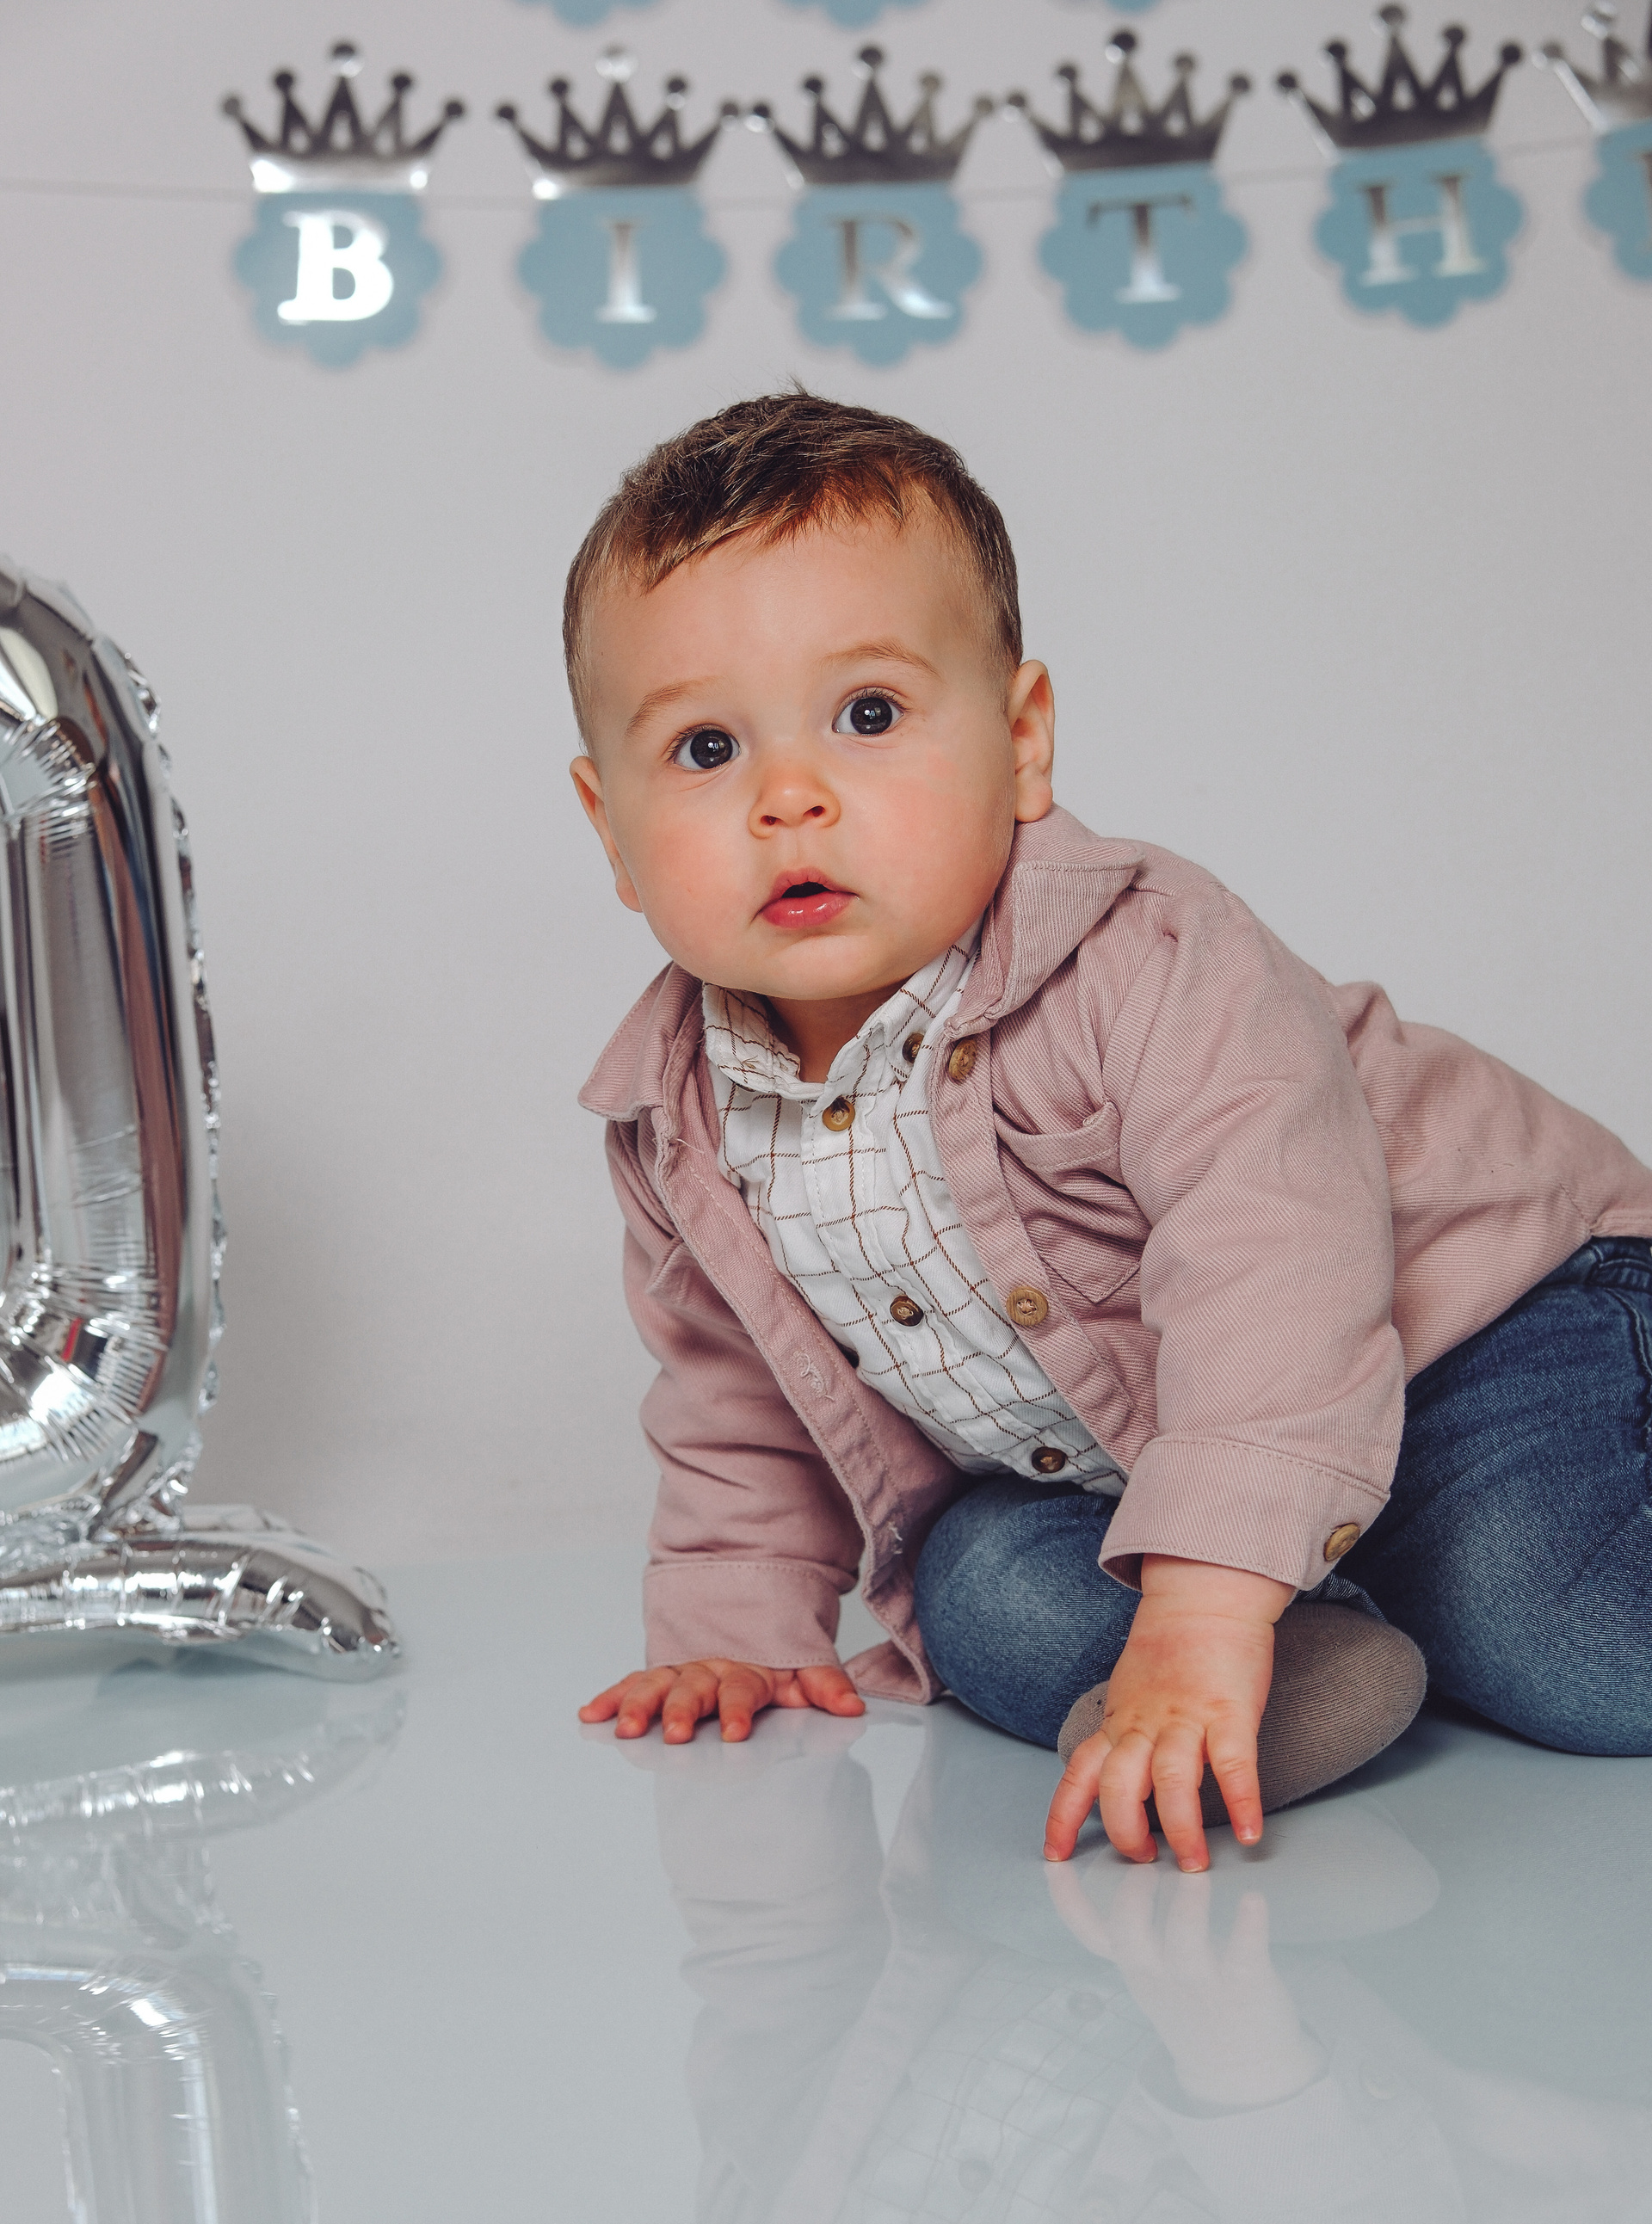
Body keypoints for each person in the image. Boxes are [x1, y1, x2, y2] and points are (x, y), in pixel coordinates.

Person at [571, 391, 1652, 1875]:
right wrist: (733, 1630)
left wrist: (1198, 1608)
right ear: (611, 830)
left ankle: (1274, 1603)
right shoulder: (680, 1110)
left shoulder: (1151, 961)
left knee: (1569, 1641)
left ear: (1022, 743)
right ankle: (1301, 1633)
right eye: (705, 748)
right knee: (980, 1593)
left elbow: (1273, 1263)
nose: (790, 798)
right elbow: (734, 1394)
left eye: (869, 715)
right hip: (1140, 1458)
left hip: (1481, 1328)